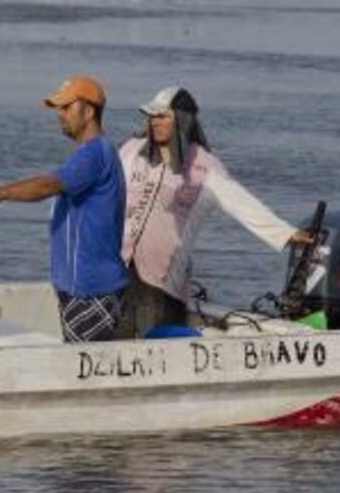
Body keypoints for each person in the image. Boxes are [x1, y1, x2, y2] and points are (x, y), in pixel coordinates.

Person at [118, 86, 312, 338]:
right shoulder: (133, 151)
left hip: (162, 285)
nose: (155, 122)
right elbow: (104, 191)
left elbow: (242, 203)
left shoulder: (204, 167)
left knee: (154, 347)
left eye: (163, 116)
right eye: (151, 116)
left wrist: (287, 234)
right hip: (118, 270)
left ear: (183, 120)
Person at [0, 76, 129, 343]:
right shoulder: (88, 154)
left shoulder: (94, 154)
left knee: (81, 377)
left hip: (91, 289)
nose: (60, 115)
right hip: (77, 286)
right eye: (59, 108)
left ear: (88, 112)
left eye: (66, 108)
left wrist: (1, 193)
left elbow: (48, 185)